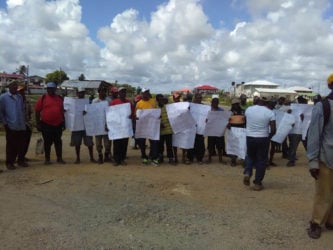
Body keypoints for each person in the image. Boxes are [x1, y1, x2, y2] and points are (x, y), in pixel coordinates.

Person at [306, 74, 333, 239]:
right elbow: (314, 135)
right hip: (326, 157)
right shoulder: (323, 107)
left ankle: (330, 221)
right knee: (323, 192)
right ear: (330, 86)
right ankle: (315, 223)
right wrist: (313, 161)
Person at [243, 97, 276, 191]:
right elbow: (273, 129)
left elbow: (245, 121)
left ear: (257, 101)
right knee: (261, 160)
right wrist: (268, 137)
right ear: (266, 102)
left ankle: (248, 172)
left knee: (250, 156)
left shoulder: (249, 109)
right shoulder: (270, 112)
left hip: (250, 136)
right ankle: (257, 183)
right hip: (263, 138)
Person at [35, 82, 66, 165]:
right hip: (46, 124)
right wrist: (38, 123)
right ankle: (47, 159)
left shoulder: (60, 98)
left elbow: (62, 111)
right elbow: (37, 111)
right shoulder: (43, 98)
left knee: (58, 142)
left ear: (55, 89)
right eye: (48, 88)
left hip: (58, 124)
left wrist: (63, 122)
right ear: (47, 89)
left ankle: (59, 158)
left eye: (52, 88)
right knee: (47, 142)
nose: (50, 90)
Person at [0, 81, 27, 170]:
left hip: (21, 125)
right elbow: (1, 112)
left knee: (21, 145)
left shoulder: (20, 97)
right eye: (13, 86)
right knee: (11, 145)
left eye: (16, 87)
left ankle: (20, 161)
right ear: (9, 87)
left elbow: (22, 110)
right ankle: (9, 163)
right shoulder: (3, 98)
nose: (15, 88)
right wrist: (5, 123)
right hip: (11, 125)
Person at [69, 87, 96, 164]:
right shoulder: (73, 102)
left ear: (84, 93)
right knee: (77, 143)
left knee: (89, 143)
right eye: (80, 92)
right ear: (77, 93)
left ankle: (92, 157)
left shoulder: (88, 102)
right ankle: (77, 158)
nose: (81, 94)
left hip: (86, 125)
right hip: (76, 125)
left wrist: (87, 112)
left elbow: (92, 111)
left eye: (82, 92)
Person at [135, 88, 159, 165]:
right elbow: (136, 114)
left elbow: (156, 112)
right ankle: (144, 157)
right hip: (142, 126)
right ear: (141, 94)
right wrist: (136, 117)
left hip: (152, 125)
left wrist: (158, 116)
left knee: (154, 142)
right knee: (142, 142)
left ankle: (153, 157)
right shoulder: (139, 103)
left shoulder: (153, 101)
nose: (146, 94)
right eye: (144, 93)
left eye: (147, 92)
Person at [110, 87, 133, 166]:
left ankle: (122, 159)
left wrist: (131, 116)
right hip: (117, 127)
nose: (123, 94)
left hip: (126, 126)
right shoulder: (113, 102)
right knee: (116, 143)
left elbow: (132, 113)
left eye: (124, 92)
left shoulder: (128, 102)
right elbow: (110, 114)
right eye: (122, 92)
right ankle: (116, 160)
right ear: (118, 93)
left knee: (124, 143)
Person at [92, 87, 112, 164]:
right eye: (102, 91)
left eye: (104, 91)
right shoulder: (94, 101)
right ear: (99, 92)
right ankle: (100, 156)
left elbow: (111, 112)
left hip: (107, 124)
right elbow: (92, 112)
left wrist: (108, 124)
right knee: (98, 143)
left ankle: (106, 155)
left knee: (108, 143)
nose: (103, 93)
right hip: (98, 125)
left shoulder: (108, 101)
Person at [156, 94, 175, 165]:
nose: (161, 101)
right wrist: (159, 123)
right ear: (157, 100)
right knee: (160, 145)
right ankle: (160, 157)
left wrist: (166, 100)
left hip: (169, 129)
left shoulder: (168, 106)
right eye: (159, 99)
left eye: (162, 99)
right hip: (160, 130)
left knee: (169, 145)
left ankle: (170, 158)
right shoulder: (156, 107)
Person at [206, 97, 226, 164]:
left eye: (216, 103)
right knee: (210, 146)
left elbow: (224, 120)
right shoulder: (208, 111)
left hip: (219, 131)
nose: (214, 104)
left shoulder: (221, 111)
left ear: (218, 103)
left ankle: (220, 159)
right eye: (213, 103)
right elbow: (205, 119)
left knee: (220, 147)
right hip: (211, 131)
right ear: (211, 103)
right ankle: (209, 159)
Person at [187, 93, 205, 164]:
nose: (198, 99)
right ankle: (190, 158)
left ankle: (199, 158)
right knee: (191, 143)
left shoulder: (204, 107)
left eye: (200, 98)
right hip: (192, 127)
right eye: (197, 98)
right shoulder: (190, 106)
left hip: (200, 128)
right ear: (194, 98)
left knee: (200, 144)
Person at [228, 98, 246, 166]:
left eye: (237, 104)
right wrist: (228, 124)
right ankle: (233, 160)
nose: (236, 105)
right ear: (232, 105)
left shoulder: (243, 111)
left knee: (242, 145)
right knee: (233, 145)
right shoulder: (230, 112)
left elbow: (246, 120)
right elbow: (226, 121)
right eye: (234, 104)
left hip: (242, 130)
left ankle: (243, 160)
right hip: (232, 130)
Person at [17, 85, 33, 162]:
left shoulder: (27, 101)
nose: (21, 92)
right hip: (17, 125)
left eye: (22, 91)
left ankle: (22, 156)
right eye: (20, 91)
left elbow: (30, 112)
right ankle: (17, 158)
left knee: (26, 142)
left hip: (27, 124)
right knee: (18, 142)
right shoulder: (15, 101)